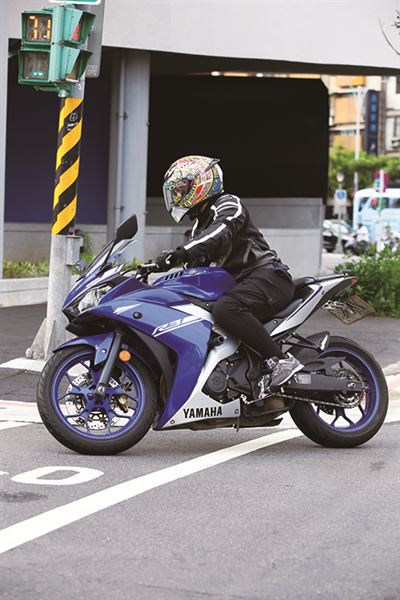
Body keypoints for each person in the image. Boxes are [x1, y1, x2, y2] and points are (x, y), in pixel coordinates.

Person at [154, 155, 303, 399]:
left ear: (201, 184)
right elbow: (194, 271)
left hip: (267, 277)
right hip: (242, 285)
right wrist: (155, 278)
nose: (177, 196)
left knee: (226, 309)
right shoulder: (199, 226)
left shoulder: (228, 204)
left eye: (181, 190)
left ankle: (279, 361)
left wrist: (178, 253)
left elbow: (219, 233)